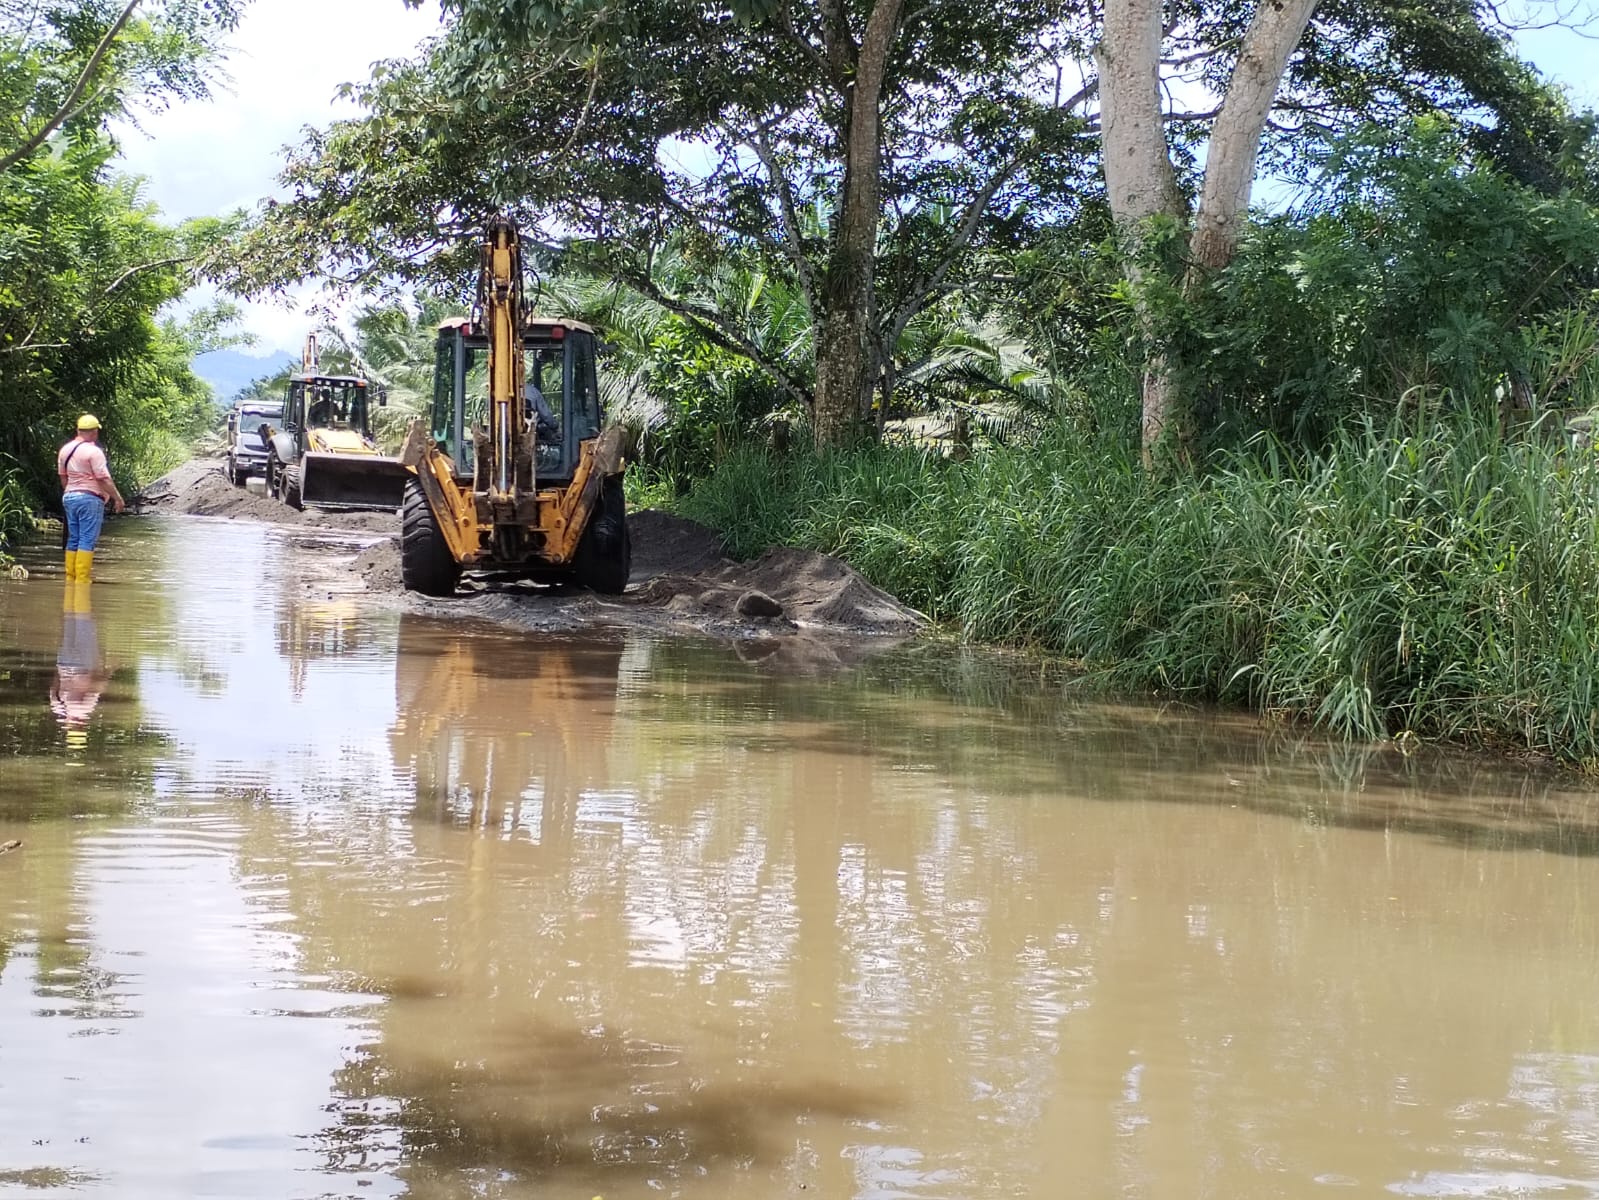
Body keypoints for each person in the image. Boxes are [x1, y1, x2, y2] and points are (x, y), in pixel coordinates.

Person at [57, 414, 125, 582]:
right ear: (94, 432)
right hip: (90, 498)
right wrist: (117, 498)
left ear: (78, 430)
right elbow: (103, 478)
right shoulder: (94, 452)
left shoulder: (65, 450)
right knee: (87, 539)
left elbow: (63, 477)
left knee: (74, 538)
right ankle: (82, 580)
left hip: (69, 496)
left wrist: (72, 493)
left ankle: (70, 578)